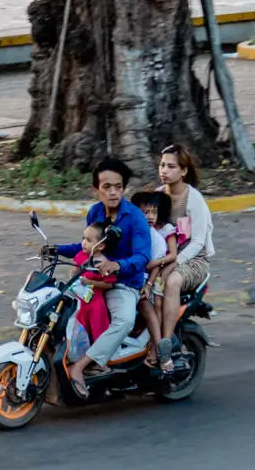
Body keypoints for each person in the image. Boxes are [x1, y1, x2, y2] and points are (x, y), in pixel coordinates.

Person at [56, 157, 151, 399]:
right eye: (106, 187)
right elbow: (88, 245)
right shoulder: (95, 212)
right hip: (93, 279)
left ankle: (79, 367)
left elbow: (142, 257)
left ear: (124, 187)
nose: (113, 192)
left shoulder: (135, 217)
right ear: (96, 190)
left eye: (118, 186)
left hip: (124, 283)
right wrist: (57, 249)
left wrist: (116, 265)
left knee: (125, 320)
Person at [155, 144, 215, 364]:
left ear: (183, 171)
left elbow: (198, 241)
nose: (164, 170)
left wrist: (174, 262)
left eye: (171, 166)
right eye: (162, 165)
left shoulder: (194, 200)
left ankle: (165, 343)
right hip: (165, 255)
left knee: (171, 282)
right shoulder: (159, 195)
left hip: (193, 259)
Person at [131, 191, 178, 371]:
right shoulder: (135, 231)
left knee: (152, 303)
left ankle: (156, 348)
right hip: (141, 275)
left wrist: (150, 281)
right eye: (145, 212)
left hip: (157, 273)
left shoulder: (162, 233)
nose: (150, 216)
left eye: (153, 212)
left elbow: (170, 256)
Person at [71, 222, 115, 342]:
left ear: (100, 246)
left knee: (98, 333)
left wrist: (90, 282)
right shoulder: (81, 255)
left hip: (95, 304)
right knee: (80, 332)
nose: (84, 243)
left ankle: (98, 357)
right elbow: (74, 270)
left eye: (89, 240)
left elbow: (109, 284)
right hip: (80, 301)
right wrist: (73, 276)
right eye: (83, 238)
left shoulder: (103, 262)